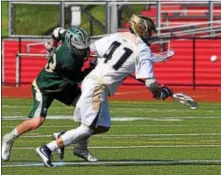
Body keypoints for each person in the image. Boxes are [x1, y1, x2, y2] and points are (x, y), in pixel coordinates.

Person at [36, 14, 174, 167]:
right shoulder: (143, 50)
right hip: (98, 86)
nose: (150, 35)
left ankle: (69, 140)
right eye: (149, 32)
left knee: (103, 126)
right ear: (142, 30)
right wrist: (160, 92)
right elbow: (150, 83)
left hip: (93, 82)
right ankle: (48, 148)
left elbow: (91, 50)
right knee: (87, 128)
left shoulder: (117, 36)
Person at [2, 26, 97, 162]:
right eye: (81, 49)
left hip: (63, 85)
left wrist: (52, 46)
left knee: (87, 106)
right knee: (37, 121)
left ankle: (80, 147)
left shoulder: (68, 38)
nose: (85, 51)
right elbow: (77, 78)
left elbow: (57, 31)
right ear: (72, 46)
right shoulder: (67, 61)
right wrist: (92, 68)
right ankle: (9, 137)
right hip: (46, 87)